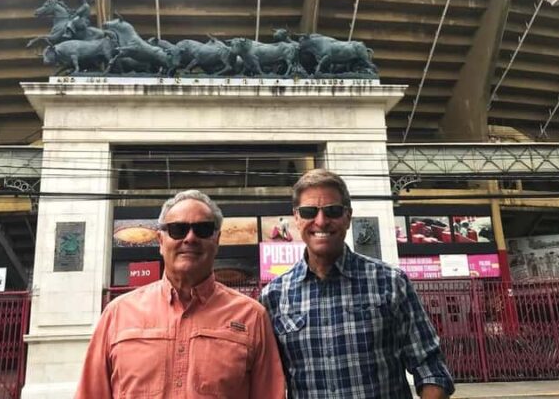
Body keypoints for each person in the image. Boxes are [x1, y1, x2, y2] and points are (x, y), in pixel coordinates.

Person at [260, 169, 454, 399]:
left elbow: (431, 368)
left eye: (332, 211)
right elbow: (266, 381)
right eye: (309, 211)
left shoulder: (390, 282)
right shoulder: (273, 296)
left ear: (348, 217)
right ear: (297, 217)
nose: (321, 221)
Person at [75, 190, 286, 398]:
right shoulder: (117, 314)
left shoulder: (252, 317)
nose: (190, 238)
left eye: (203, 229)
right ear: (160, 241)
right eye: (178, 229)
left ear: (217, 240)